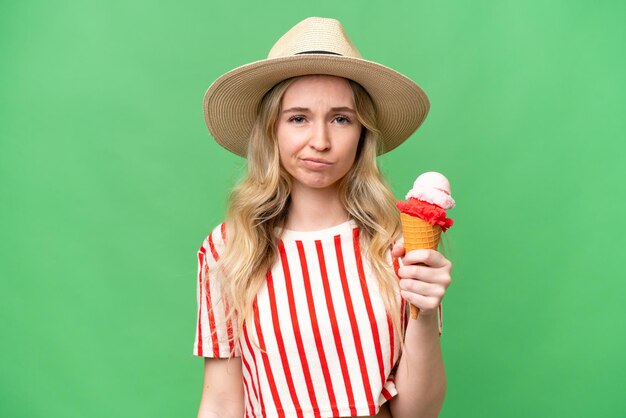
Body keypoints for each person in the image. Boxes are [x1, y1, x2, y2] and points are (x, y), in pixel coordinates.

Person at [193, 17, 452, 418]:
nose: (320, 141)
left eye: (340, 118)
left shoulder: (399, 245)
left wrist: (425, 313)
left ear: (363, 133)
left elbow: (417, 414)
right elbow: (222, 402)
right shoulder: (228, 248)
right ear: (271, 131)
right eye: (298, 118)